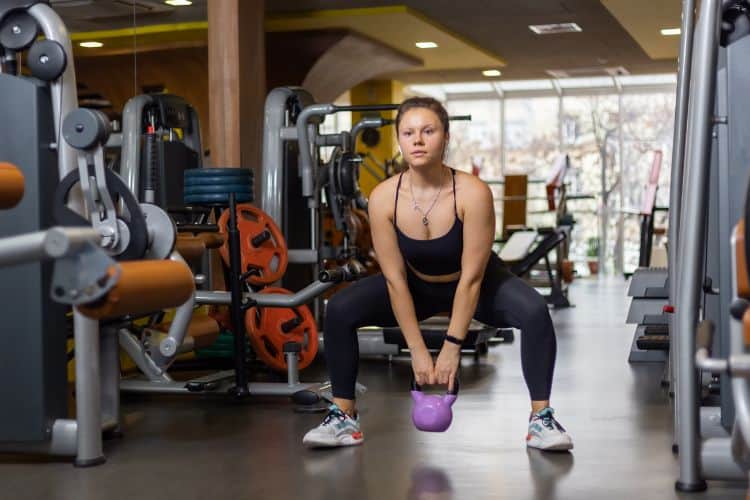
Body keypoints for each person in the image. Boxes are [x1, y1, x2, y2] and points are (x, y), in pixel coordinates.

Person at [303, 97, 573, 451]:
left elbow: (472, 279)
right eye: (409, 132)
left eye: (428, 131)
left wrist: (451, 346)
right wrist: (416, 349)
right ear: (400, 140)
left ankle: (541, 420)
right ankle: (344, 416)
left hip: (477, 282)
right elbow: (395, 280)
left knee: (535, 311)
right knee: (340, 309)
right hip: (415, 285)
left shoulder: (472, 193)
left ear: (445, 137)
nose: (417, 140)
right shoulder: (384, 198)